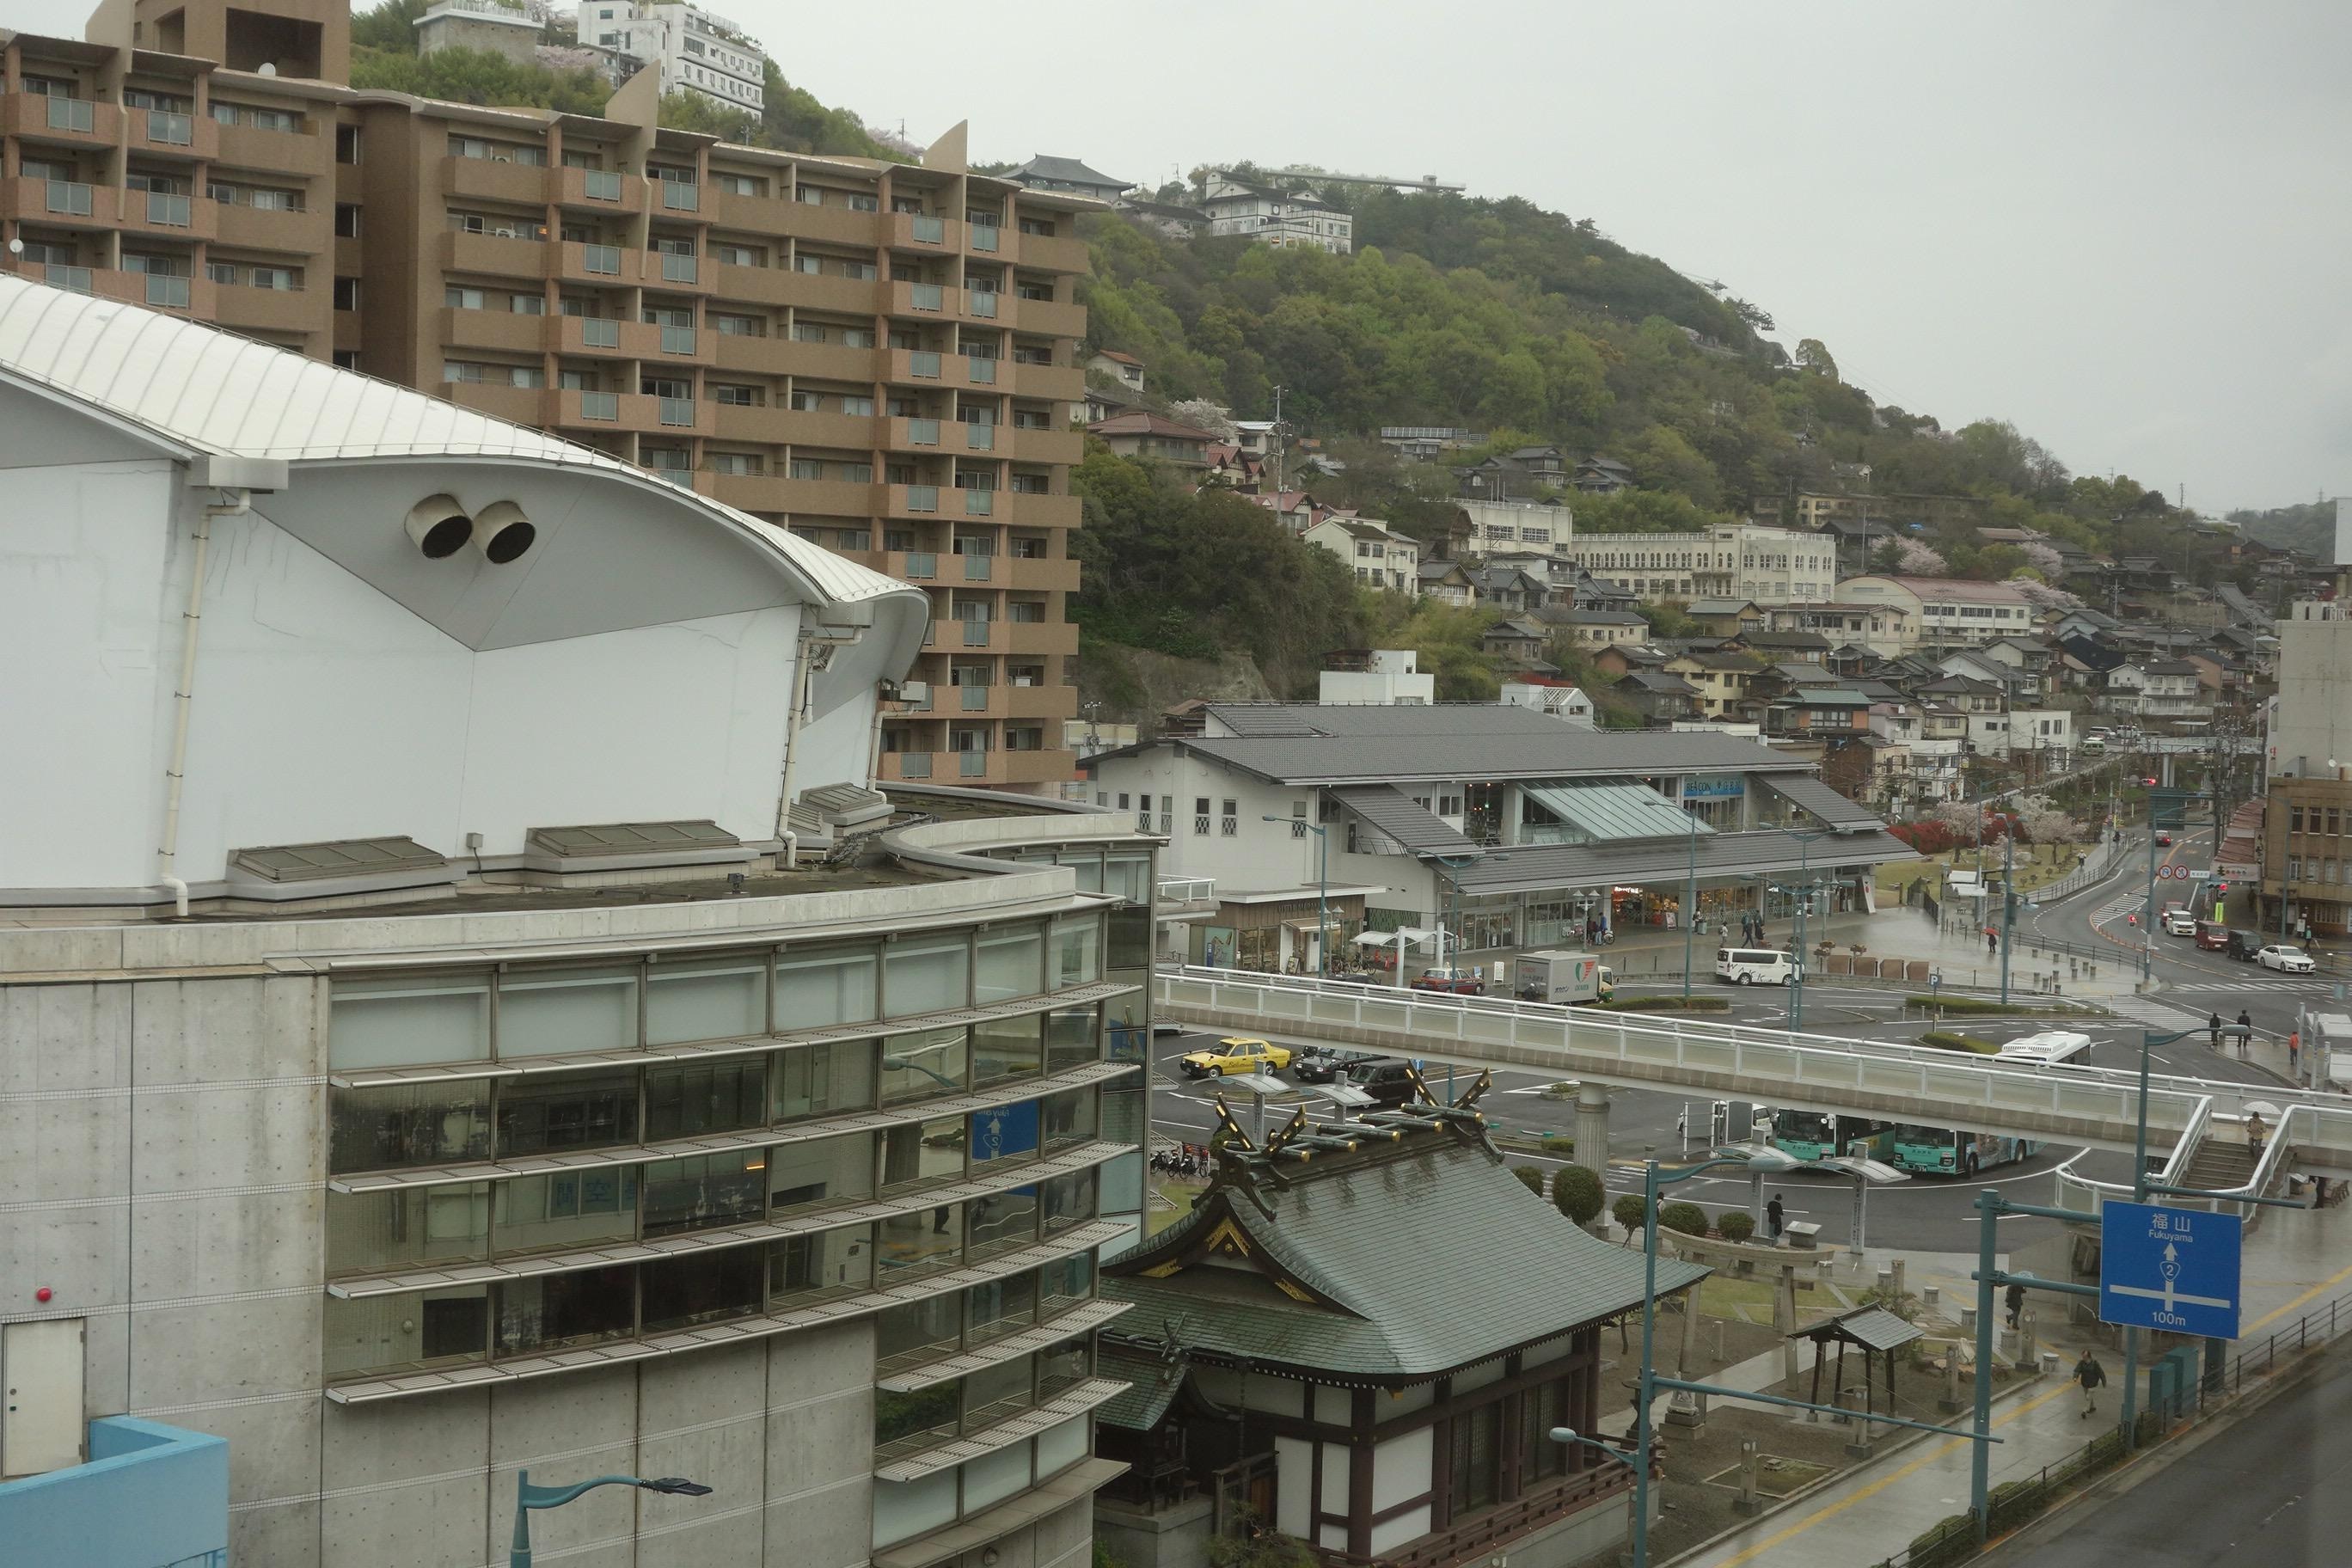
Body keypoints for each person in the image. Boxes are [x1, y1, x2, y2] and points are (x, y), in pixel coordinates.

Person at [2075, 1351, 2107, 1418]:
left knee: (2088, 1397)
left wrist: (2104, 1382)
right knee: (2088, 1396)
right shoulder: (2081, 1363)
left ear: (2088, 1357)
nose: (2083, 1358)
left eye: (2084, 1357)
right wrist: (2075, 1377)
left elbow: (2101, 1372)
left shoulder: (2095, 1363)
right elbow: (2077, 1370)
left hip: (2093, 1383)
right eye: (2082, 1356)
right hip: (2085, 1383)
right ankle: (2092, 1407)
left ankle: (2084, 1411)